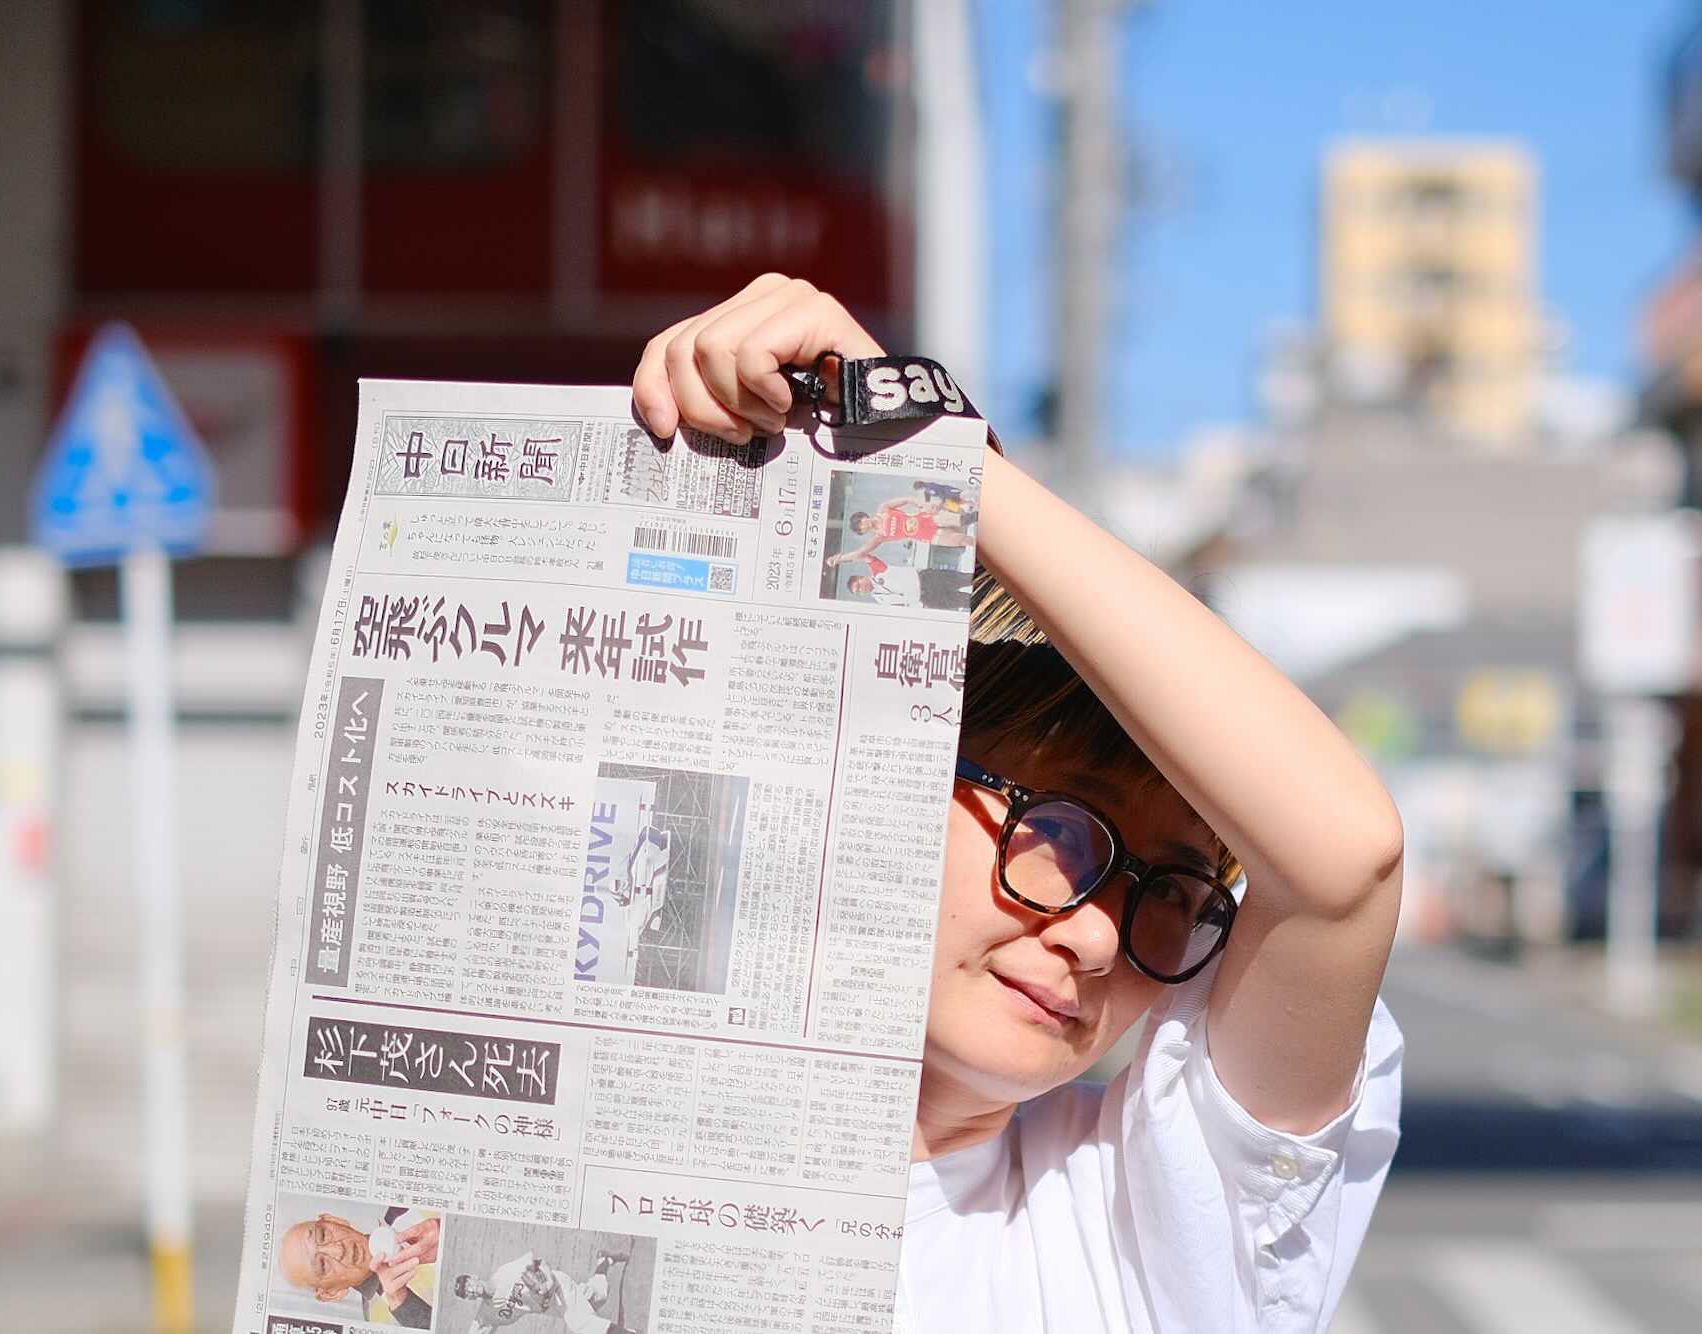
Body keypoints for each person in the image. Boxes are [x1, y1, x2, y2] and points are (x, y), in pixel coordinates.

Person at [632, 274, 1404, 1332]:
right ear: (888, 779)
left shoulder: (1144, 1209)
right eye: (1060, 830)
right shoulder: (610, 1126)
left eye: (1172, 895)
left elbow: (1344, 860)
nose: (1098, 937)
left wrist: (921, 443)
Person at [276, 1207, 440, 1328]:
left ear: (335, 1220)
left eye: (323, 1235)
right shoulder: (378, 1323)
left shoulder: (404, 1209)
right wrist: (402, 1303)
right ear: (331, 1293)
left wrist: (446, 1229)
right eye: (323, 1265)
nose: (339, 1250)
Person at [454, 1248, 638, 1334]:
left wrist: (548, 1281)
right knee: (598, 1296)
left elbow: (538, 1262)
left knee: (581, 1324)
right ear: (469, 1299)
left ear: (474, 1277)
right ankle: (604, 1261)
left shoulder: (505, 1274)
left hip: (557, 1287)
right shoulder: (486, 1316)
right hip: (549, 1307)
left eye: (469, 1284)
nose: (471, 1290)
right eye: (466, 1293)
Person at [825, 495, 978, 570]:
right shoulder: (879, 537)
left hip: (928, 518)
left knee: (965, 519)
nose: (864, 526)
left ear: (863, 516)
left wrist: (922, 504)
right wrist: (840, 558)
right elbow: (861, 553)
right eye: (861, 529)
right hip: (926, 536)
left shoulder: (883, 508)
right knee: (963, 540)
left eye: (861, 523)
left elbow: (907, 499)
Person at [846, 553, 974, 611]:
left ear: (861, 577)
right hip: (927, 599)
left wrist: (843, 558)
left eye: (859, 585)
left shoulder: (878, 571)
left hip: (927, 580)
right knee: (967, 601)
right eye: (859, 591)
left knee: (967, 579)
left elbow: (864, 555)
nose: (861, 589)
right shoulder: (880, 600)